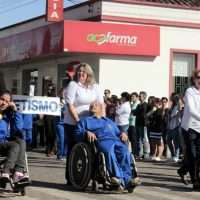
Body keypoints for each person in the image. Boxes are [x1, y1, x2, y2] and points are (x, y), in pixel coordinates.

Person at [74, 101, 140, 190]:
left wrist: (123, 133)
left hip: (116, 140)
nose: (93, 106)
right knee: (109, 152)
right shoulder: (85, 121)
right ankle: (117, 178)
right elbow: (77, 133)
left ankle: (128, 180)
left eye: (96, 105)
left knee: (125, 152)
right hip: (102, 140)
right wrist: (86, 133)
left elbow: (118, 132)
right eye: (91, 105)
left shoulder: (109, 121)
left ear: (101, 109)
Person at [63, 62, 104, 184]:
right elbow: (70, 105)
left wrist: (103, 120)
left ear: (89, 74)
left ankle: (92, 175)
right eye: (79, 71)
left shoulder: (95, 87)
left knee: (93, 149)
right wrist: (79, 122)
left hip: (91, 122)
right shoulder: (73, 85)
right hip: (73, 122)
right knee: (73, 150)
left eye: (84, 72)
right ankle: (71, 177)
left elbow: (101, 104)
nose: (81, 73)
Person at [0, 90, 28, 183]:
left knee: (21, 141)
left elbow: (19, 128)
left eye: (7, 101)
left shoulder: (9, 114)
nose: (4, 103)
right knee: (15, 146)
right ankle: (6, 171)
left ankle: (18, 173)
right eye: (2, 99)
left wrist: (15, 111)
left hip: (5, 143)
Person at [180, 69, 200, 190]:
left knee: (198, 156)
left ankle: (183, 170)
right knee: (192, 155)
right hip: (190, 127)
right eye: (198, 77)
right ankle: (195, 181)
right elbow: (192, 110)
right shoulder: (190, 91)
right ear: (194, 79)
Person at [134, 91, 150, 159]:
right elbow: (134, 113)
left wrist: (136, 112)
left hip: (143, 124)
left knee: (143, 139)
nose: (139, 97)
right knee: (138, 139)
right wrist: (136, 112)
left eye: (140, 96)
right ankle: (140, 153)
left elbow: (142, 114)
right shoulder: (138, 105)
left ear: (144, 97)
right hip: (137, 123)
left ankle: (146, 153)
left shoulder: (145, 105)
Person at [166, 93, 181, 163]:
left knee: (176, 142)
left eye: (172, 97)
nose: (170, 98)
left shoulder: (178, 105)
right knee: (168, 141)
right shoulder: (172, 106)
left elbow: (176, 114)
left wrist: (172, 115)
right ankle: (173, 155)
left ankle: (176, 156)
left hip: (176, 126)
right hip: (170, 126)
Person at [55, 88, 67, 160]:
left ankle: (65, 154)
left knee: (66, 139)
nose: (63, 94)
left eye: (65, 93)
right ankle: (60, 154)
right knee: (61, 139)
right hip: (59, 122)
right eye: (62, 93)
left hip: (67, 122)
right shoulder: (56, 101)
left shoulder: (69, 101)